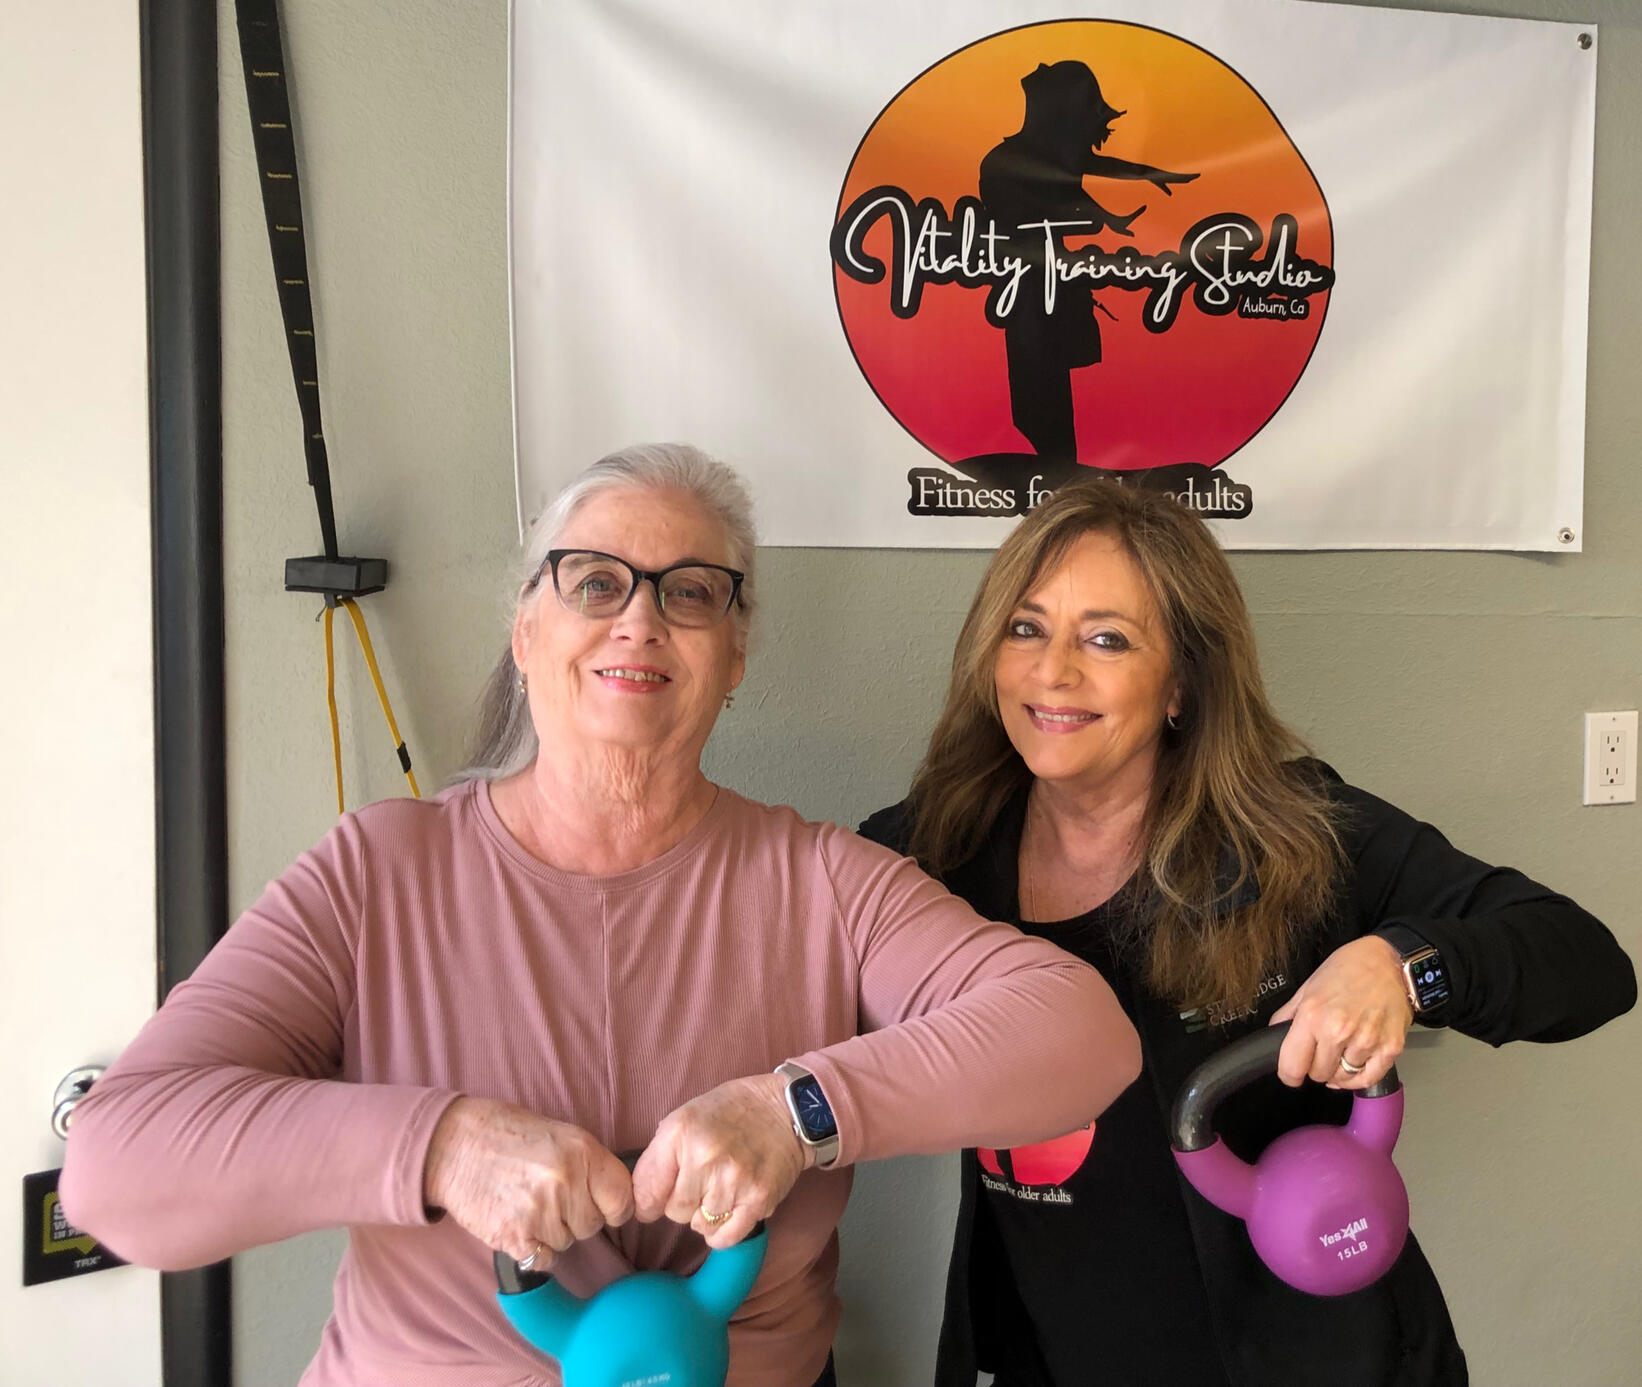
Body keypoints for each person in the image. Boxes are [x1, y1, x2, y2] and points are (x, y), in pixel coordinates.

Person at [61, 445, 1142, 1387]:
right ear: (525, 631)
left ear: (733, 657)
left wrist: (796, 1112)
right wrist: (442, 1147)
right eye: (594, 582)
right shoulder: (374, 871)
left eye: (689, 592)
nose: (640, 616)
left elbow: (1079, 1035)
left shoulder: (826, 878)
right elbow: (119, 1171)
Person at [859, 478, 1636, 1387]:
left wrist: (1401, 965)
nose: (1053, 670)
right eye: (1026, 627)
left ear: (1183, 682)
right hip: (1049, 1351)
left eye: (1107, 638)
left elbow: (1586, 959)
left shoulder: (1295, 833)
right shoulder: (934, 850)